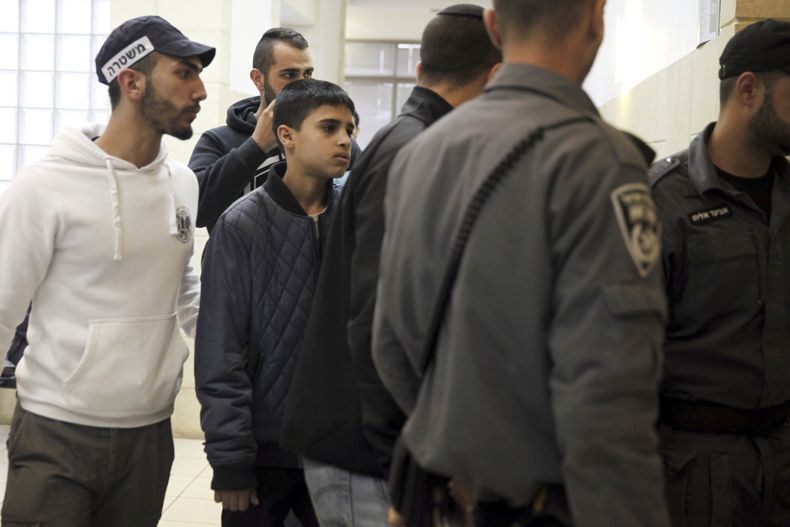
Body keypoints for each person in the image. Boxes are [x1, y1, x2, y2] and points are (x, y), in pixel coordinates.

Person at [371, 1, 671, 526]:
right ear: (597, 18)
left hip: (450, 496)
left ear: (494, 26)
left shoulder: (422, 154)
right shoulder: (600, 160)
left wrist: (458, 442)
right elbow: (607, 396)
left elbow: (390, 347)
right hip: (552, 506)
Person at [279, 5, 500, 526]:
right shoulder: (420, 150)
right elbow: (381, 317)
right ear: (496, 78)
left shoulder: (417, 139)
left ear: (422, 72)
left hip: (373, 440)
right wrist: (411, 452)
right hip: (368, 449)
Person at [0, 15, 211, 526]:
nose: (200, 90)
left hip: (149, 434)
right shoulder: (42, 187)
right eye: (184, 73)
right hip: (56, 431)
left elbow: (181, 286)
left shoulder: (182, 184)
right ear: (131, 81)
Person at [195, 79, 355, 527]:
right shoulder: (241, 224)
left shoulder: (359, 220)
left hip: (342, 450)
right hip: (264, 452)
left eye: (349, 128)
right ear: (286, 135)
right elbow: (219, 352)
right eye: (328, 127)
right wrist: (230, 460)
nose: (344, 139)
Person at [649, 19, 790, 526]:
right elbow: (616, 360)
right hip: (693, 474)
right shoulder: (662, 200)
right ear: (749, 89)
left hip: (780, 463)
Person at [189, 28, 358, 234]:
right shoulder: (218, 140)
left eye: (308, 74)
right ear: (258, 79)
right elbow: (192, 211)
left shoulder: (331, 139)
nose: (302, 84)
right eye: (290, 74)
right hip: (240, 262)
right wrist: (256, 146)